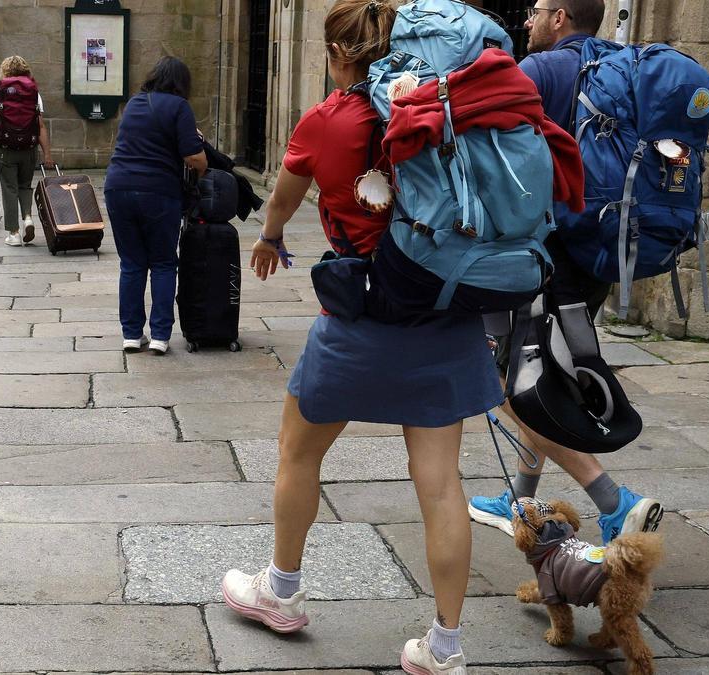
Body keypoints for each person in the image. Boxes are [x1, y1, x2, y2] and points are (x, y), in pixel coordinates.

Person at [219, 2, 501, 673]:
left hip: (362, 320)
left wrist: (268, 236)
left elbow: (285, 193)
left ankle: (279, 589)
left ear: (339, 54)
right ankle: (445, 646)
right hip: (446, 312)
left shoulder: (328, 120)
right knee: (441, 486)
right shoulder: (447, 110)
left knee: (297, 450)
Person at [467, 0, 663, 546]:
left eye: (536, 11)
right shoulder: (619, 67)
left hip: (541, 256)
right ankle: (520, 501)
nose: (526, 21)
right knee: (545, 375)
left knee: (507, 381)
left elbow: (494, 158)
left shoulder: (538, 70)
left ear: (561, 18)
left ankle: (612, 500)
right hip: (597, 250)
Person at [104, 56, 207, 356]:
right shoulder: (179, 107)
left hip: (117, 188)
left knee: (132, 264)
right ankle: (161, 336)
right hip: (158, 192)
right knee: (163, 263)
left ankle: (132, 335)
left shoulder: (135, 103)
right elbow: (195, 158)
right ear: (181, 83)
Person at [0, 56, 53, 247]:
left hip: (6, 149)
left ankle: (13, 233)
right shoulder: (33, 93)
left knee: (9, 188)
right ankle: (28, 218)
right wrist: (47, 154)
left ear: (4, 71)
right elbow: (40, 126)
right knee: (25, 185)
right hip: (29, 149)